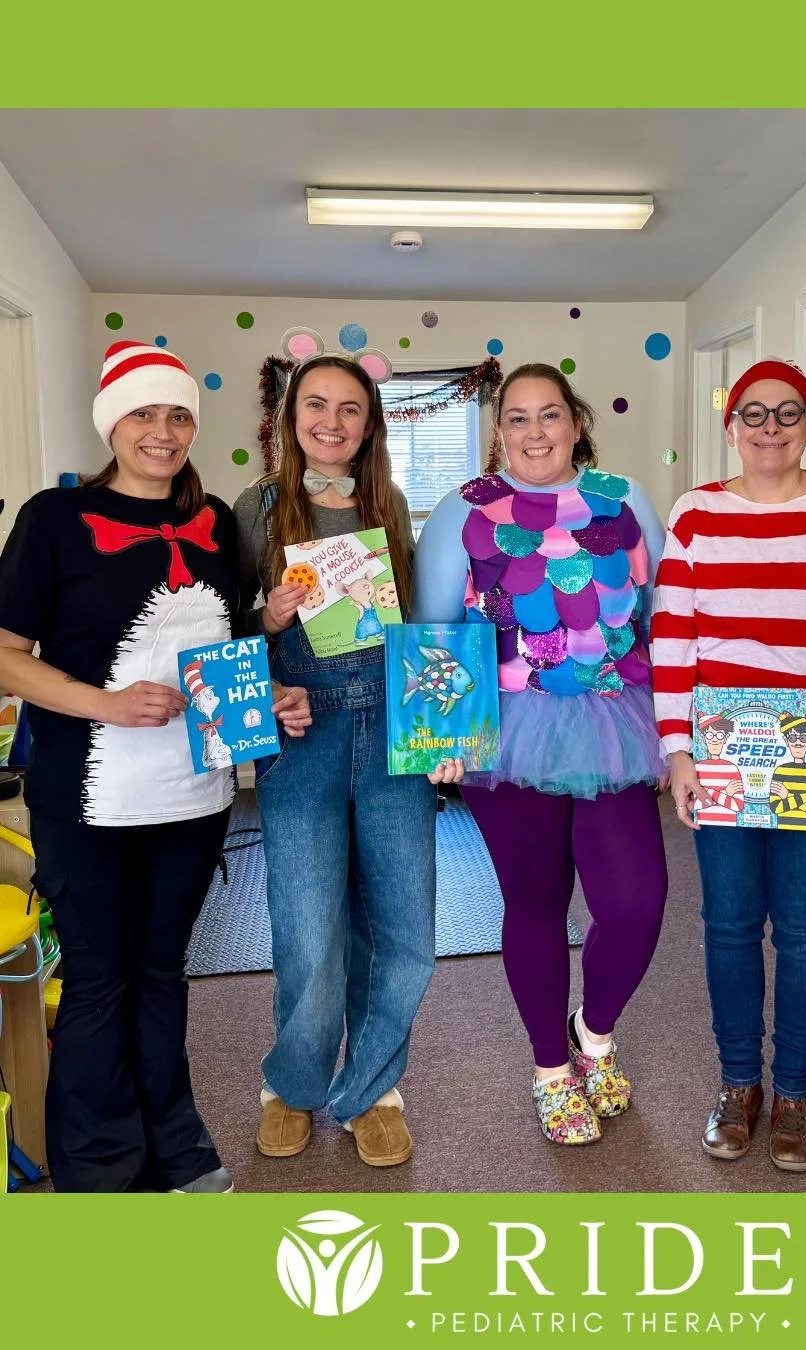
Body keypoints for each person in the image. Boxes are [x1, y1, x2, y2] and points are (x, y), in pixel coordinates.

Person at [0, 340, 310, 1193]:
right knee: (101, 979)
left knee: (163, 972)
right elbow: (5, 655)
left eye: (178, 416)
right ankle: (101, 1171)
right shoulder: (51, 520)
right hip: (87, 795)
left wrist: (272, 668)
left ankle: (175, 1145)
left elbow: (228, 647)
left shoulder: (214, 521)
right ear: (112, 424)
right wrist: (105, 703)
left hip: (194, 789)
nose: (163, 432)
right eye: (144, 413)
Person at [411, 362, 669, 1145]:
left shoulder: (625, 500)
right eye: (516, 418)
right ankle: (550, 1069)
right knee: (534, 901)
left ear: (576, 423)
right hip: (506, 730)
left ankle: (594, 1034)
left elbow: (663, 611)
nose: (534, 432)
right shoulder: (462, 509)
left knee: (636, 901)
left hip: (613, 722)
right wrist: (441, 736)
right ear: (498, 432)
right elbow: (433, 627)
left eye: (549, 415)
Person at [652, 357, 806, 1173]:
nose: (769, 428)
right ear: (731, 426)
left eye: (787, 414)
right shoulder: (696, 514)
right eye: (753, 414)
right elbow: (674, 641)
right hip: (720, 749)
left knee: (802, 933)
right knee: (726, 925)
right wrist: (677, 751)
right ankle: (737, 1083)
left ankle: (794, 1092)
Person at [233, 352, 438, 1167]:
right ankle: (292, 1084)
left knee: (404, 931)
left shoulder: (390, 508)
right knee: (310, 930)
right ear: (289, 419)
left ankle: (374, 1089)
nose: (332, 421)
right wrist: (268, 619)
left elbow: (420, 632)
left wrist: (444, 731)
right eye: (315, 404)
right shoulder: (253, 510)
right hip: (301, 736)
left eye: (351, 408)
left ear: (370, 425)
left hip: (391, 735)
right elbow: (218, 645)